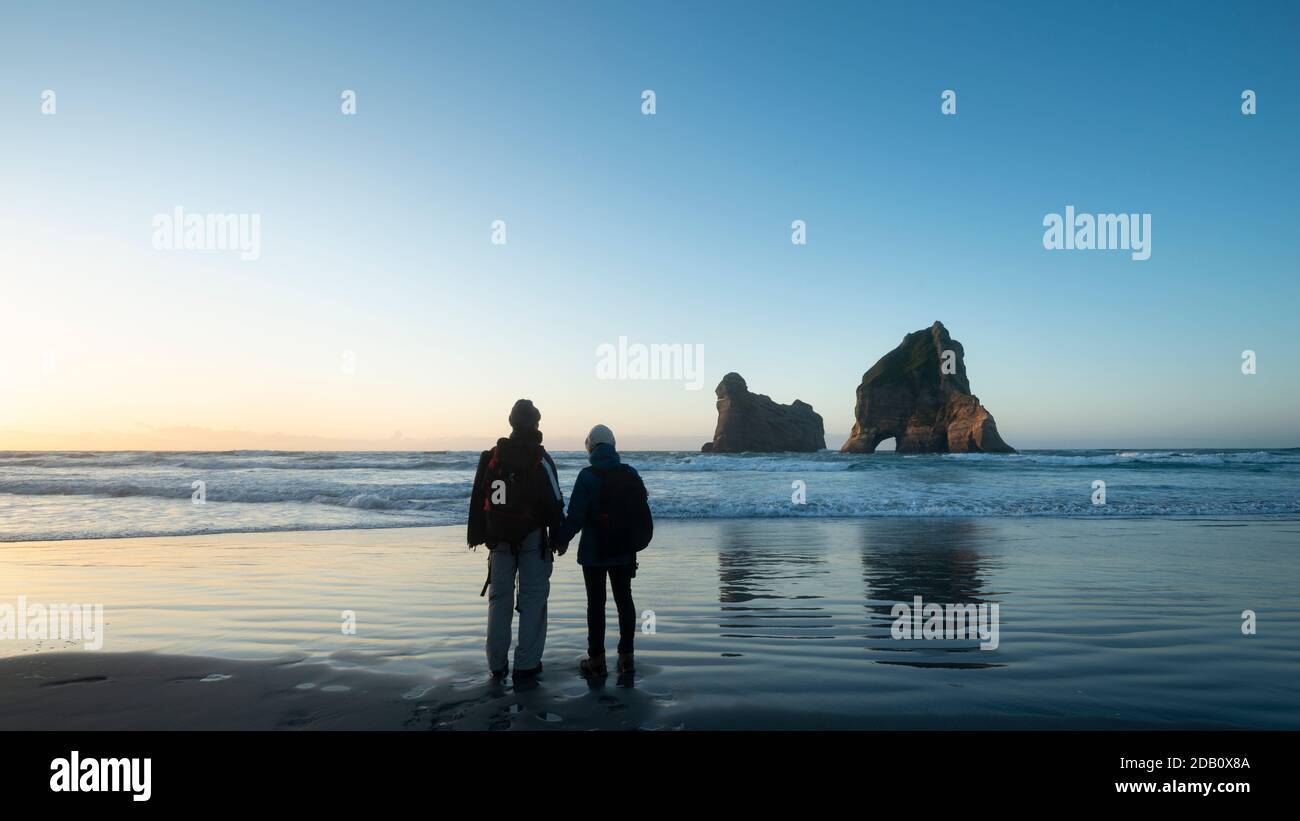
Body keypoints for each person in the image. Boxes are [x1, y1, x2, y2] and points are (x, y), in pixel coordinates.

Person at [467, 399, 564, 680]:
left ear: (511, 423)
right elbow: (555, 501)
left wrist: (477, 536)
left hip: (498, 541)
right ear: (535, 423)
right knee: (533, 600)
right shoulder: (540, 458)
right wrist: (558, 537)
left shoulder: (492, 455)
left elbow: (477, 499)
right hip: (533, 539)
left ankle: (496, 664)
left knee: (499, 601)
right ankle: (527, 664)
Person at [552, 424, 652, 677]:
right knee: (624, 601)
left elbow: (575, 517)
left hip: (594, 553)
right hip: (624, 550)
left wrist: (560, 540)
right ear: (613, 445)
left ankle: (596, 659)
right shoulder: (630, 473)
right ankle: (626, 657)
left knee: (596, 605)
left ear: (590, 447)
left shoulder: (587, 476)